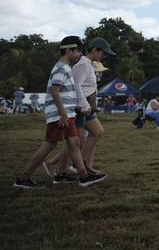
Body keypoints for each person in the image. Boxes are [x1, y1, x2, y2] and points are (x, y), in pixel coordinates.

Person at [13, 36, 106, 189]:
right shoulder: (61, 68)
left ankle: (83, 176)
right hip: (60, 114)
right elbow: (54, 92)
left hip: (67, 113)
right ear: (68, 50)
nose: (79, 54)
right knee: (49, 144)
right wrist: (63, 113)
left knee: (74, 143)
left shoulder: (67, 67)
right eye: (77, 51)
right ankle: (24, 177)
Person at [43, 37, 114, 178]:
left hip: (85, 105)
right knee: (76, 141)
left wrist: (93, 103)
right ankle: (75, 166)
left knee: (90, 135)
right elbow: (77, 87)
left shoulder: (90, 64)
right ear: (94, 50)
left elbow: (90, 87)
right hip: (80, 106)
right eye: (103, 53)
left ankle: (70, 166)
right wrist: (85, 105)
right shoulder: (83, 64)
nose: (104, 56)